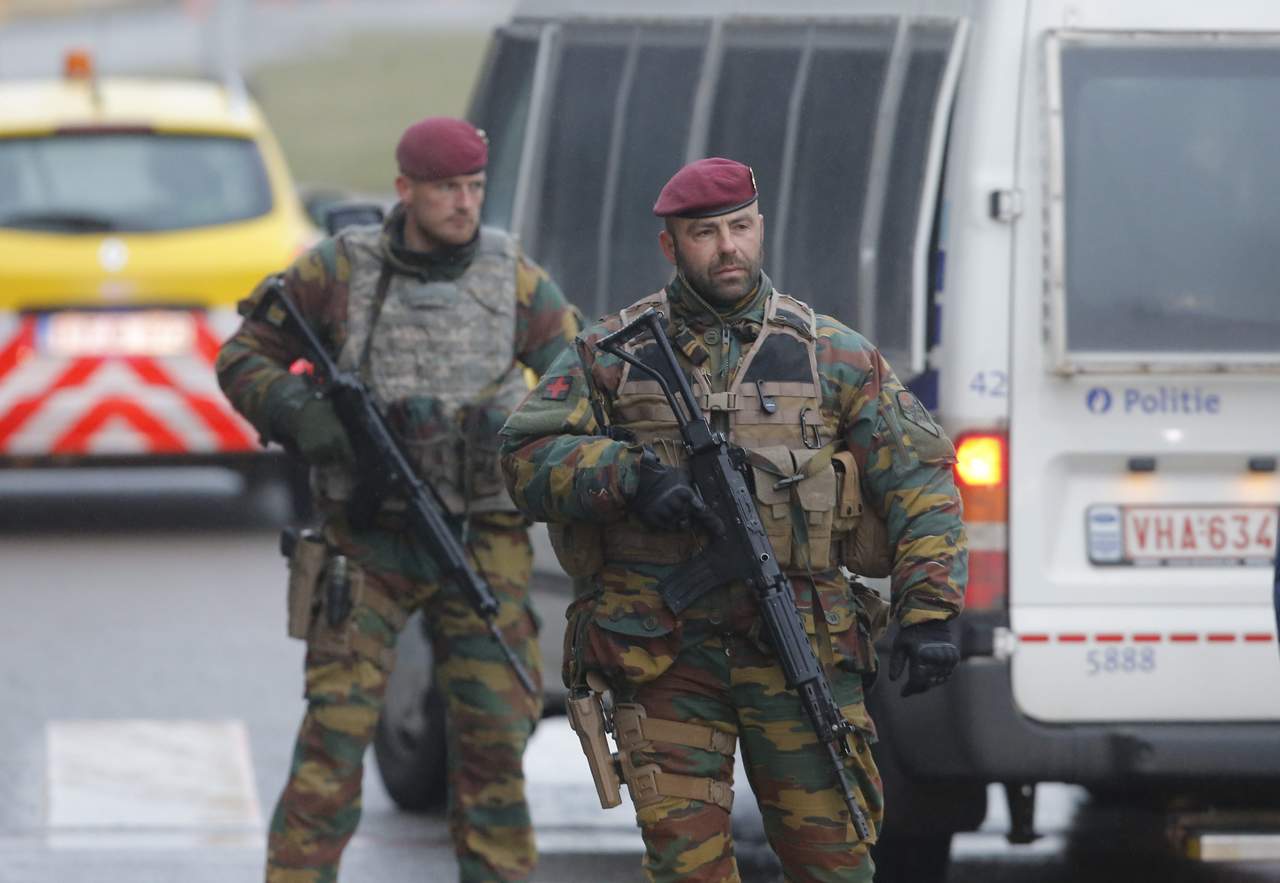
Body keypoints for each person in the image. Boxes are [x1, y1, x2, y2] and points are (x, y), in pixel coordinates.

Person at [499, 157, 967, 882]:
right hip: (663, 652)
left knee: (834, 861)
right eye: (705, 233)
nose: (728, 248)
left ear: (760, 228)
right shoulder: (614, 355)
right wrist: (627, 475)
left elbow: (920, 474)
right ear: (671, 245)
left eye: (740, 227)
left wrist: (931, 610)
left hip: (800, 646)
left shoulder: (830, 354)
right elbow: (524, 454)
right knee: (686, 868)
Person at [216, 116, 577, 883]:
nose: (465, 203)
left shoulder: (511, 276)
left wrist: (530, 437)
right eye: (447, 188)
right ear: (405, 189)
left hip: (481, 538)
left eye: (475, 187)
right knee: (335, 736)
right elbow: (244, 355)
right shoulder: (341, 270)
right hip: (368, 541)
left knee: (494, 740)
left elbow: (575, 376)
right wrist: (306, 418)